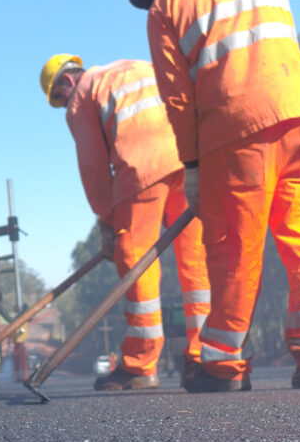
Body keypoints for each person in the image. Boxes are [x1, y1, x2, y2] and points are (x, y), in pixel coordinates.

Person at [125, 0, 300, 391]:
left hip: (232, 135)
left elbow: (177, 99)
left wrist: (191, 168)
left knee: (235, 250)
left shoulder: (163, 7)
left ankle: (222, 363)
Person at [40, 54, 211, 390]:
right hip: (188, 159)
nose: (63, 106)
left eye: (59, 99)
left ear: (66, 82)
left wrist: (107, 221)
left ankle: (140, 364)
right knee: (196, 261)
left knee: (136, 259)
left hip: (140, 168)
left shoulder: (82, 94)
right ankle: (204, 357)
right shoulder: (135, 66)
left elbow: (93, 166)